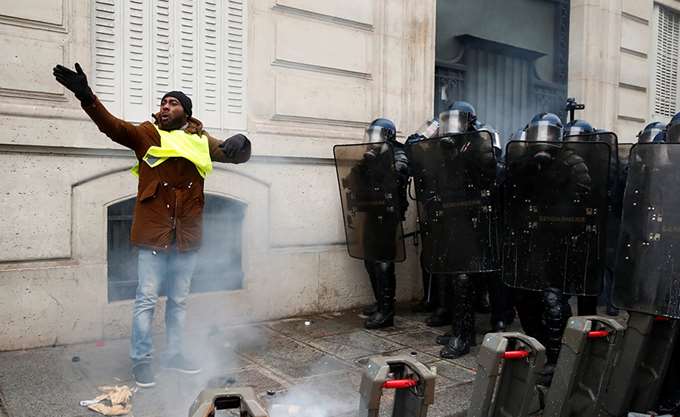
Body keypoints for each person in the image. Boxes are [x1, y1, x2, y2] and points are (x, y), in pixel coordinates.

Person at [52, 63, 251, 388]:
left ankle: (175, 355)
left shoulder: (201, 140)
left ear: (186, 112)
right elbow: (113, 127)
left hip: (186, 237)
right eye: (163, 102)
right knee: (146, 300)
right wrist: (86, 95)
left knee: (179, 301)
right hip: (154, 235)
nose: (165, 106)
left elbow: (232, 154)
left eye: (173, 103)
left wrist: (242, 144)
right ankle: (141, 361)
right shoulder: (146, 133)